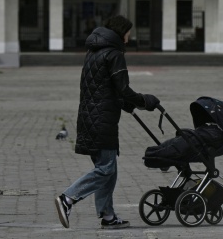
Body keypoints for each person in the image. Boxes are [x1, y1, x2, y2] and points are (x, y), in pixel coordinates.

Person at [55, 15, 159, 230]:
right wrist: (145, 101)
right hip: (103, 120)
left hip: (89, 117)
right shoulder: (115, 54)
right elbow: (123, 89)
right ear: (121, 32)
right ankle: (68, 198)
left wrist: (125, 104)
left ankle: (108, 216)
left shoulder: (93, 52)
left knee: (107, 169)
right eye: (128, 34)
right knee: (106, 170)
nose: (129, 39)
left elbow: (103, 88)